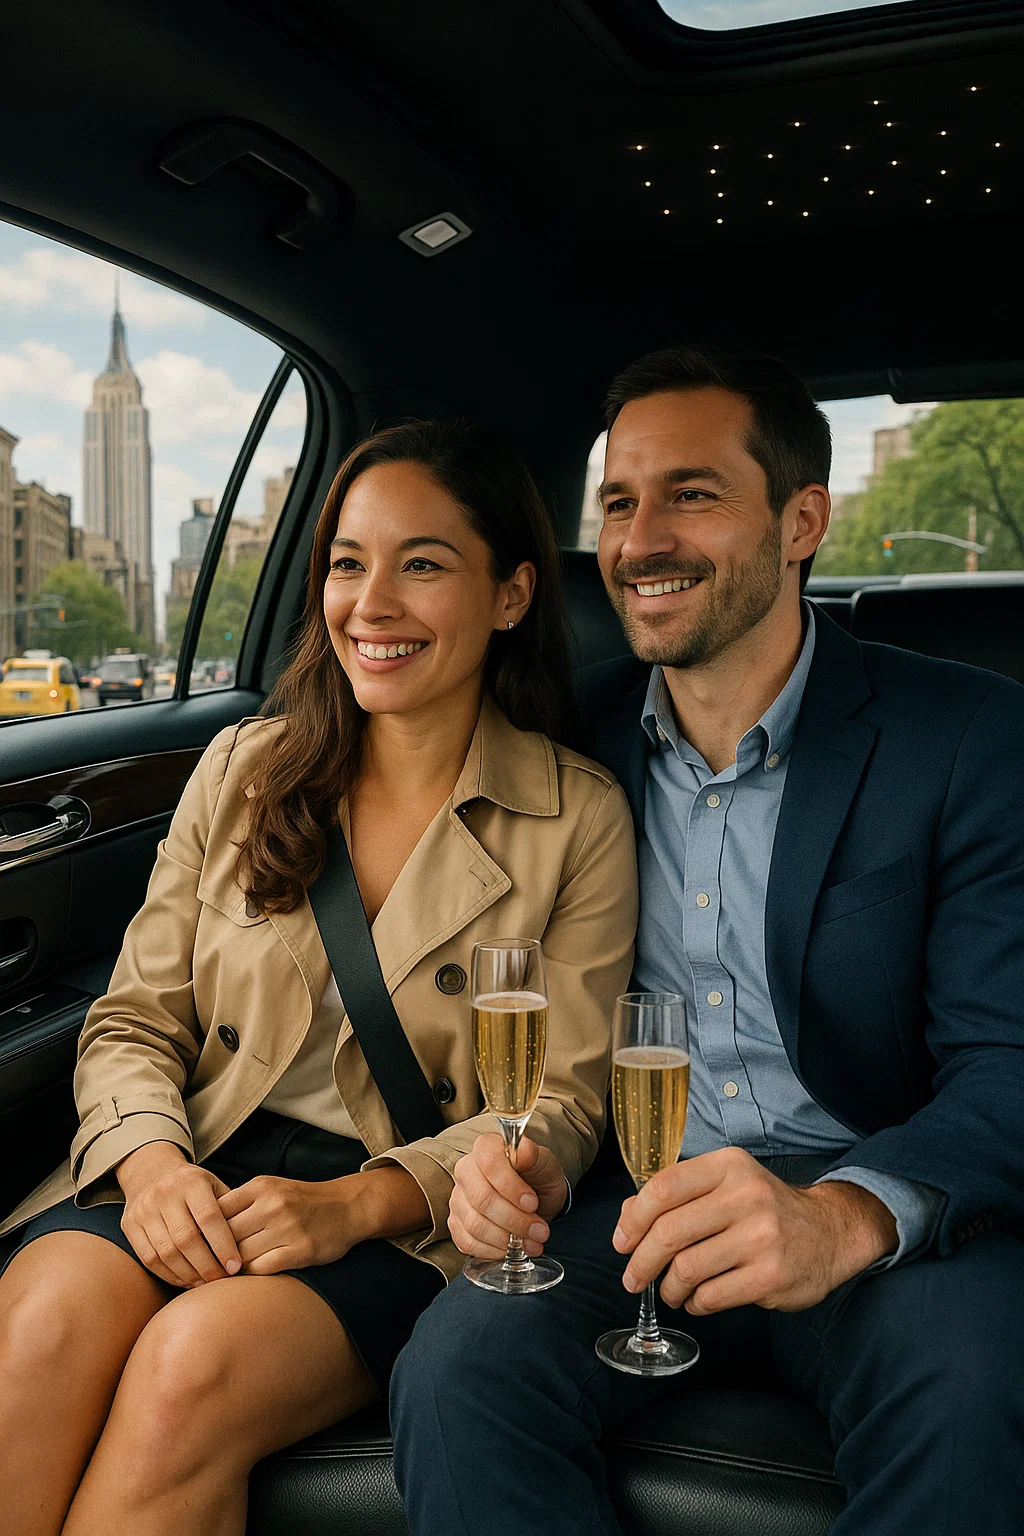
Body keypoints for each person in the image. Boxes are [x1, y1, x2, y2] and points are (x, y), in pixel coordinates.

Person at [391, 348, 1024, 1535]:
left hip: (880, 1212)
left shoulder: (972, 737)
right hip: (632, 1201)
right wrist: (495, 1158)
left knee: (972, 1393)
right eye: (619, 504)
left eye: (690, 493)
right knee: (455, 1371)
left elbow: (1009, 1062)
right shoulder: (558, 742)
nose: (640, 541)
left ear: (800, 521)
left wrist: (841, 1217)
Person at [0, 419, 637, 1536]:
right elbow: (133, 1021)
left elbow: (561, 1105)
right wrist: (152, 1168)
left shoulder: (576, 816)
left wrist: (351, 1206)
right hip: (192, 1162)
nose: (371, 603)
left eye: (422, 564)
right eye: (348, 563)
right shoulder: (244, 769)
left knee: (188, 1369)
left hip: (394, 1212)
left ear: (510, 593)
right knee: (40, 1331)